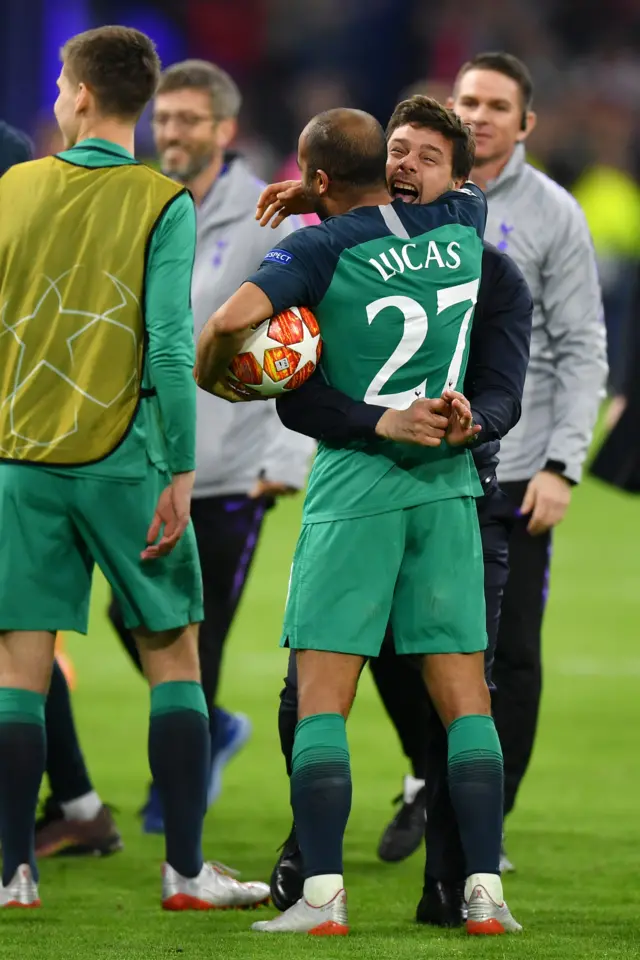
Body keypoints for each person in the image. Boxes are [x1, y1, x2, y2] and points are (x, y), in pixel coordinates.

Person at [197, 105, 521, 936]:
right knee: (467, 704)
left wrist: (213, 369)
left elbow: (233, 321)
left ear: (316, 178)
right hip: (449, 490)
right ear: (391, 165)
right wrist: (315, 194)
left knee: (319, 702)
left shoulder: (318, 249)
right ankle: (486, 894)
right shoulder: (464, 220)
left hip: (358, 490)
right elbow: (427, 195)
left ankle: (321, 900)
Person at [0, 25, 268, 910]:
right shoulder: (163, 200)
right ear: (142, 103)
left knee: (18, 670)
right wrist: (182, 472)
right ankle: (187, 872)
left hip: (22, 461)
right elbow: (166, 346)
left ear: (76, 92)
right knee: (176, 659)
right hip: (126, 460)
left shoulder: (13, 188)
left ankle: (12, 875)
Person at [35, 58, 313, 844]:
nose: (175, 132)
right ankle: (208, 735)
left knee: (199, 631)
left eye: (193, 120)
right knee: (136, 614)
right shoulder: (140, 202)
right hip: (141, 455)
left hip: (230, 466)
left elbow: (299, 341)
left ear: (226, 129)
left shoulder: (269, 217)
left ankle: (174, 798)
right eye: (167, 119)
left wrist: (285, 462)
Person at [445, 53, 607, 864]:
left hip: (517, 467)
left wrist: (563, 465)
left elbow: (582, 347)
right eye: (468, 100)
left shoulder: (554, 214)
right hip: (425, 463)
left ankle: (487, 823)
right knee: (418, 644)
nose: (478, 116)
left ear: (526, 123)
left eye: (496, 105)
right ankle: (425, 780)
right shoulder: (416, 200)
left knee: (510, 651)